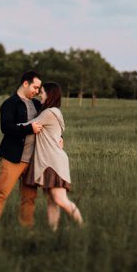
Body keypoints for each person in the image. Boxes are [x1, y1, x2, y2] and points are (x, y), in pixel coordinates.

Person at [0, 71, 45, 226]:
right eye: (35, 87)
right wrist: (29, 128)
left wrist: (60, 138)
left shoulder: (37, 104)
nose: (37, 91)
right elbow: (6, 127)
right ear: (25, 83)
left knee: (29, 197)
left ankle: (26, 229)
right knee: (1, 193)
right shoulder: (9, 103)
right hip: (13, 158)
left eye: (39, 89)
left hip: (33, 160)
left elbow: (49, 124)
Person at [24, 82, 83, 230]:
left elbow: (27, 126)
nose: (40, 94)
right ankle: (53, 231)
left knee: (60, 199)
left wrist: (11, 126)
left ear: (49, 94)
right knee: (51, 201)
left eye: (42, 92)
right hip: (50, 161)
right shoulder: (54, 112)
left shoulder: (49, 113)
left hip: (52, 162)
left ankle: (82, 226)